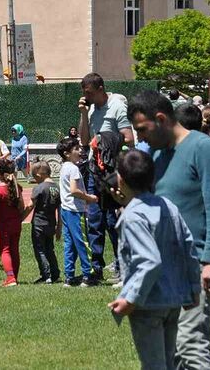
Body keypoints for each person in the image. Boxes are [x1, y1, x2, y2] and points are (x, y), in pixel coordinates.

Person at [128, 90, 210, 367]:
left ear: (161, 118)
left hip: (194, 267)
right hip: (162, 270)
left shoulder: (204, 148)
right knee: (169, 353)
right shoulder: (156, 156)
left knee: (190, 348)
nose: (139, 137)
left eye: (142, 129)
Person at [107, 150, 202, 370]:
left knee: (154, 365)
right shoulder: (168, 205)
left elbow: (149, 261)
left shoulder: (133, 216)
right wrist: (193, 289)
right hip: (174, 298)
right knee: (169, 363)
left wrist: (130, 298)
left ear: (120, 179)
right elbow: (188, 247)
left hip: (148, 303)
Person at [78, 73, 134, 281]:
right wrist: (84, 115)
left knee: (113, 220)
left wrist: (104, 139)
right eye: (84, 93)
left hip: (112, 171)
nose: (86, 96)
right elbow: (84, 141)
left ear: (100, 88)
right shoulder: (91, 109)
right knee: (93, 219)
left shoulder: (117, 107)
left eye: (89, 92)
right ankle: (96, 268)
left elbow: (129, 138)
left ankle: (121, 266)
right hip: (95, 170)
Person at [0, 158, 29, 287]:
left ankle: (11, 278)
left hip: (3, 225)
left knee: (5, 250)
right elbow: (21, 207)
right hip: (16, 224)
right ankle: (14, 277)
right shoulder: (16, 187)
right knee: (15, 250)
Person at [57, 137, 98, 287]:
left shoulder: (64, 167)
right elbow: (74, 190)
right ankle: (89, 274)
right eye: (76, 149)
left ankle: (69, 276)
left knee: (70, 244)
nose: (80, 150)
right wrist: (89, 198)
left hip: (66, 210)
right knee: (82, 242)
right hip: (75, 211)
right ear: (67, 153)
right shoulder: (73, 168)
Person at [28, 161, 61, 284]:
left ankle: (46, 275)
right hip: (51, 223)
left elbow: (30, 206)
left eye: (34, 177)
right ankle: (55, 273)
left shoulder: (39, 188)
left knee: (40, 249)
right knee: (50, 249)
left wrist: (20, 218)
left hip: (39, 223)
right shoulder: (57, 187)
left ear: (38, 174)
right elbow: (60, 209)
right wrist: (59, 228)